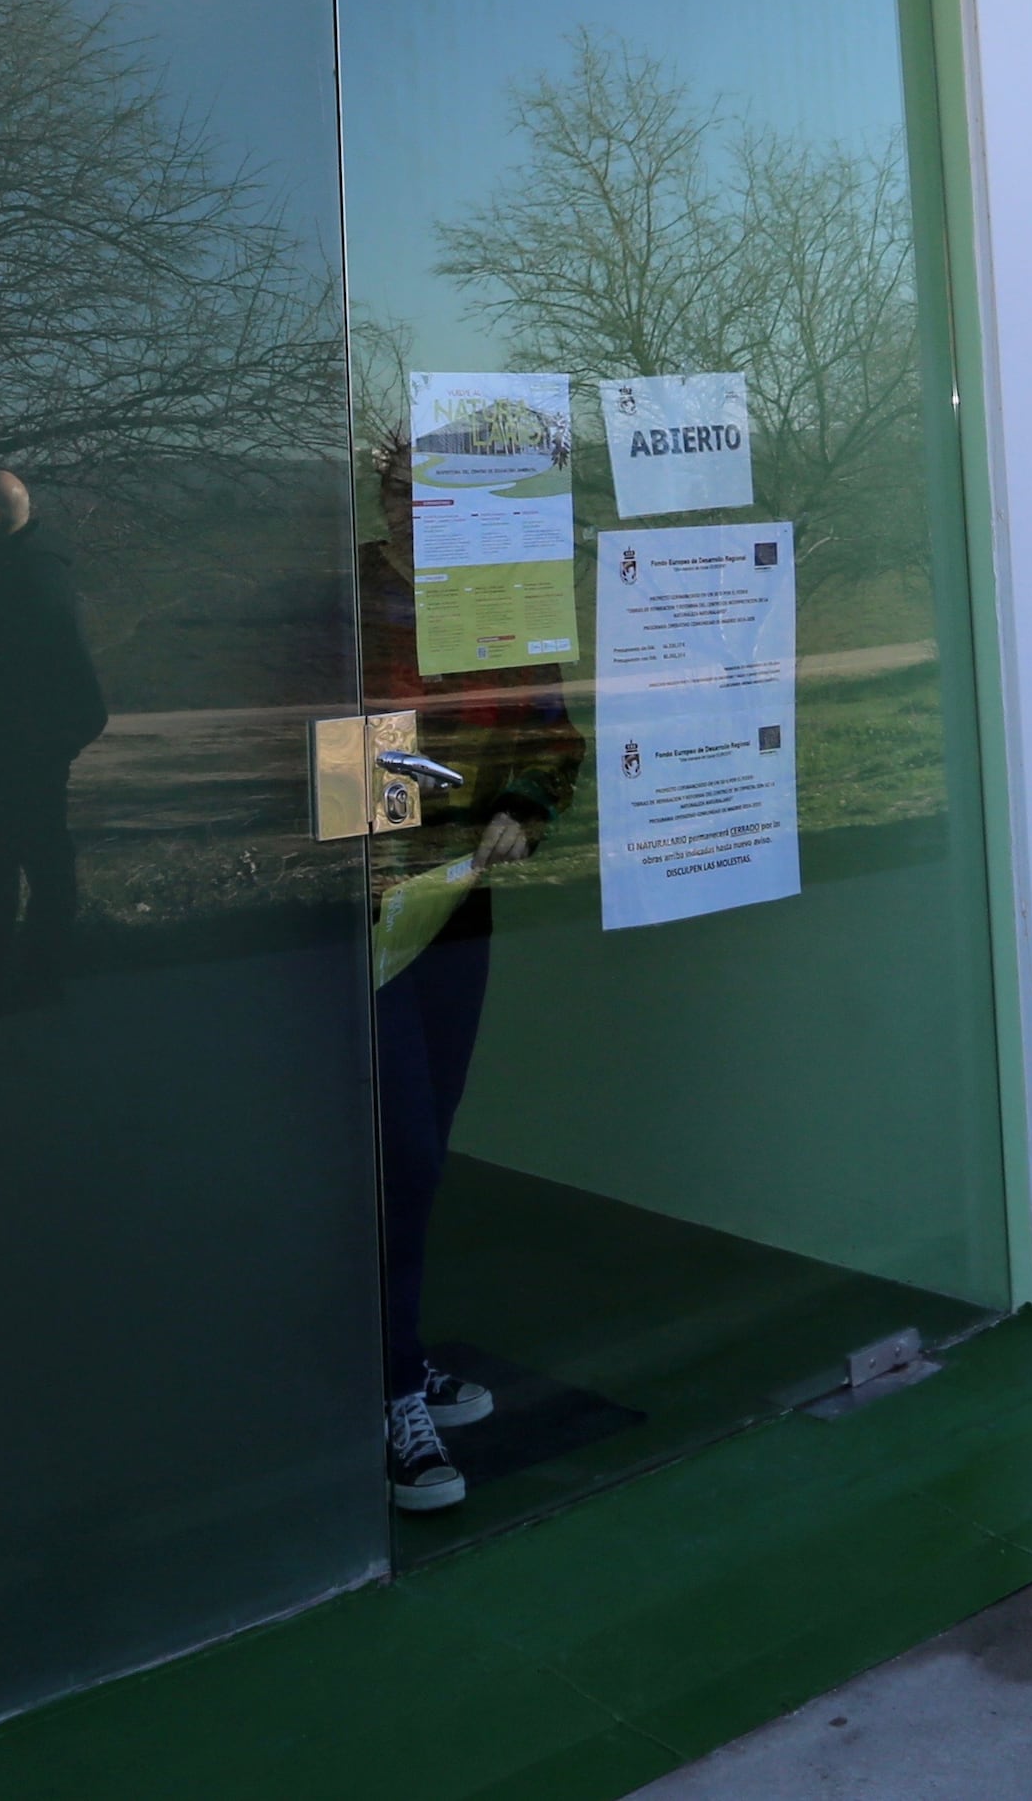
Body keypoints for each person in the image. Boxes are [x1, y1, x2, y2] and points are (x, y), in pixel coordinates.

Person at [360, 460, 582, 1514]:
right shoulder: (347, 596)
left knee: (427, 1142)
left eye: (433, 493)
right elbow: (304, 734)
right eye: (400, 491)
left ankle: (390, 1351)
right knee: (394, 1147)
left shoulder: (496, 593)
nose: (416, 509)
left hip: (458, 903)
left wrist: (527, 805)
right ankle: (389, 1388)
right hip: (364, 905)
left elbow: (548, 729)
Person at [0, 470, 105, 1004]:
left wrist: (58, 736)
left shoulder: (27, 575)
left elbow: (70, 666)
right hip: (8, 739)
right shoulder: (10, 568)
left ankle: (35, 977)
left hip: (24, 742)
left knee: (33, 853)